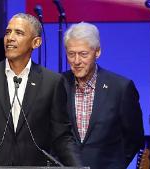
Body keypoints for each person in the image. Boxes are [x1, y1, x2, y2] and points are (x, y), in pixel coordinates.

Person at [0, 13, 81, 166]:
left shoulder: (52, 82)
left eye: (18, 33)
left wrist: (77, 166)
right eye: (8, 32)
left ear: (36, 42)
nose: (10, 38)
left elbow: (62, 138)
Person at [62, 22, 145, 169]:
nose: (76, 61)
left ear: (97, 52)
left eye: (83, 54)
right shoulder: (57, 85)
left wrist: (114, 165)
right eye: (71, 54)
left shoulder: (120, 88)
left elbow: (134, 137)